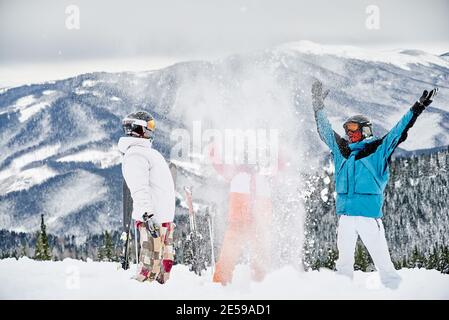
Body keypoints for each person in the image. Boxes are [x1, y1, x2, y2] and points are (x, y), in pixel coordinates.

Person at [311, 80, 438, 289]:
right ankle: (342, 294)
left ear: (365, 131)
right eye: (347, 130)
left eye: (353, 130)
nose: (349, 134)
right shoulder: (342, 151)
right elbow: (324, 130)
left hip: (369, 219)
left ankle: (395, 291)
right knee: (343, 266)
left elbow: (399, 131)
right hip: (345, 218)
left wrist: (417, 108)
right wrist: (318, 105)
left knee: (384, 266)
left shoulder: (378, 151)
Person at [118, 111, 176, 284]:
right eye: (149, 127)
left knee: (164, 268)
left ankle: (159, 293)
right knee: (149, 269)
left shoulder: (145, 152)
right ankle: (140, 293)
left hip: (163, 220)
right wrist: (147, 215)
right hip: (152, 220)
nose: (152, 131)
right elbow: (139, 189)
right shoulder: (135, 155)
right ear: (138, 129)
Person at [208, 143, 273, 285]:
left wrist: (213, 147)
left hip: (240, 222)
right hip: (254, 223)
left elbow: (218, 164)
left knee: (230, 255)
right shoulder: (261, 180)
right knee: (259, 254)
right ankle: (261, 284)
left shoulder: (237, 176)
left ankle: (221, 284)